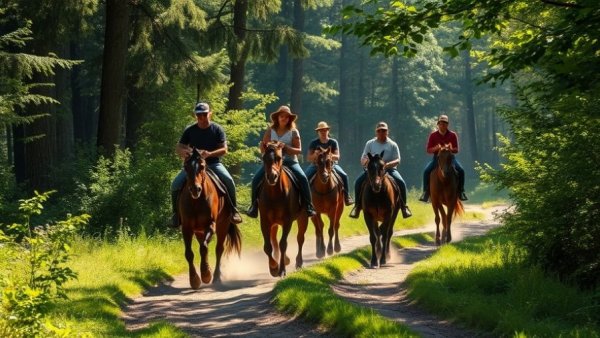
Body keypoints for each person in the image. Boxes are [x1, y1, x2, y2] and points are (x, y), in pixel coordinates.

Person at [170, 102, 243, 227]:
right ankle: (176, 215)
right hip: (194, 166)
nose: (202, 118)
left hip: (213, 164)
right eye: (199, 115)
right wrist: (185, 152)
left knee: (228, 180)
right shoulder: (190, 130)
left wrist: (209, 154)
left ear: (210, 114)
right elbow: (179, 147)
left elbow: (224, 149)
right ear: (195, 116)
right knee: (175, 184)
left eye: (204, 114)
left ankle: (233, 210)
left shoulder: (217, 129)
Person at [246, 105, 317, 218]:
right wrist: (263, 146)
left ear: (290, 119)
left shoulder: (294, 132)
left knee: (303, 178)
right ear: (277, 118)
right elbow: (264, 147)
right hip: (272, 161)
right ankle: (253, 206)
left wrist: (286, 148)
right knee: (256, 179)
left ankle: (308, 205)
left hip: (290, 161)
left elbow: (298, 150)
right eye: (282, 116)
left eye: (287, 117)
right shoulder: (270, 130)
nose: (284, 118)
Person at [348, 122, 412, 219]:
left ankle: (404, 207)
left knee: (401, 183)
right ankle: (357, 207)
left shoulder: (392, 144)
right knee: (357, 182)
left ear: (387, 132)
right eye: (379, 131)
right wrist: (366, 162)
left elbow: (398, 159)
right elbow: (363, 157)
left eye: (384, 130)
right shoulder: (370, 143)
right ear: (376, 132)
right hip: (372, 171)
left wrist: (387, 165)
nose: (381, 132)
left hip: (388, 170)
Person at [418, 114, 468, 202]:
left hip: (450, 158)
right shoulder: (433, 135)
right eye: (441, 123)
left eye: (444, 123)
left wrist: (451, 148)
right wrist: (436, 148)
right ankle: (425, 192)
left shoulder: (452, 135)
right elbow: (428, 150)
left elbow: (456, 150)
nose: (442, 125)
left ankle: (461, 191)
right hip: (437, 158)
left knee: (461, 170)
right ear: (438, 124)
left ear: (447, 125)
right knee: (426, 171)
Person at [304, 121, 354, 206]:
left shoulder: (333, 142)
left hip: (331, 165)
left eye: (325, 130)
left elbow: (337, 156)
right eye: (321, 130)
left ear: (328, 131)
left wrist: (328, 155)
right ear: (318, 132)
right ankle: (305, 200)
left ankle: (347, 197)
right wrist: (315, 155)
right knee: (305, 177)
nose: (323, 132)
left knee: (344, 175)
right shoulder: (313, 143)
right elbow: (309, 158)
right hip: (316, 165)